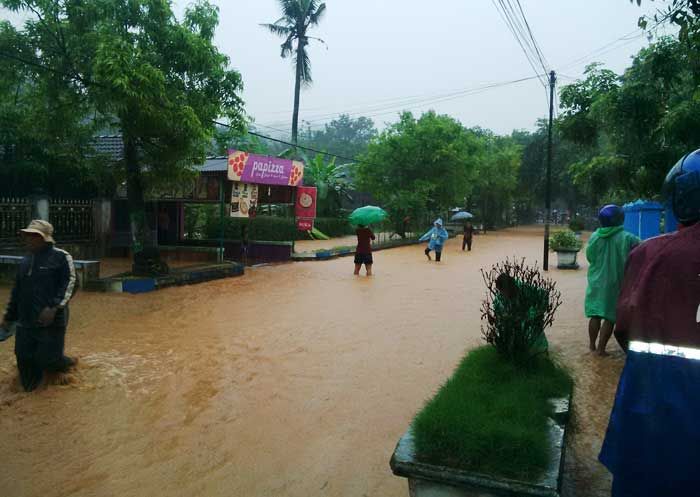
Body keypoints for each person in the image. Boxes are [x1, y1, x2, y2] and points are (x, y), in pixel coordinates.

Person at [598, 150, 700, 496]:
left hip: (653, 404)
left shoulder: (647, 253)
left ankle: (594, 350)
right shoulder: (631, 242)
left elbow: (626, 329)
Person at [1, 220, 77, 392]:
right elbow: (16, 292)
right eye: (27, 235)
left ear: (45, 239)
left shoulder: (61, 257)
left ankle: (68, 364)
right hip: (25, 320)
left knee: (48, 360)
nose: (28, 239)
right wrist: (9, 317)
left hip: (51, 320)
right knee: (23, 359)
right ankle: (31, 397)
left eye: (34, 236)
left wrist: (54, 307)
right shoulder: (25, 261)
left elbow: (71, 283)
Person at [584, 204, 640, 356]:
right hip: (615, 283)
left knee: (595, 314)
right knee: (609, 316)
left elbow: (589, 256)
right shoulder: (628, 238)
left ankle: (591, 346)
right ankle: (601, 350)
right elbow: (640, 254)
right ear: (620, 219)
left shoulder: (595, 236)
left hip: (596, 281)